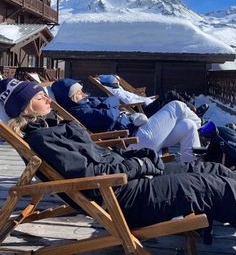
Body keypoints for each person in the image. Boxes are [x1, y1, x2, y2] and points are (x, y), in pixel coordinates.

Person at [1, 77, 236, 237]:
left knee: (213, 170)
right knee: (208, 186)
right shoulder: (43, 140)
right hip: (124, 196)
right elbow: (90, 177)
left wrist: (139, 159)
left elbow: (100, 158)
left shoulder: (52, 127)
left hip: (131, 180)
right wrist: (139, 164)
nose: (49, 99)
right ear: (24, 107)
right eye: (41, 98)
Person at [50, 79, 202, 162]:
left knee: (187, 125)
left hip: (139, 132)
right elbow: (109, 114)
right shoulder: (79, 111)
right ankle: (202, 127)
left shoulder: (86, 103)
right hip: (135, 140)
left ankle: (193, 167)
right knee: (177, 105)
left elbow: (112, 101)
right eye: (78, 92)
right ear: (69, 97)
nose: (82, 93)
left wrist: (110, 106)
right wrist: (110, 106)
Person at [97, 74, 209, 119]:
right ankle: (194, 111)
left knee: (184, 97)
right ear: (112, 83)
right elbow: (130, 101)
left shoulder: (118, 89)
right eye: (116, 81)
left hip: (147, 103)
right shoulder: (117, 93)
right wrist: (145, 99)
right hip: (146, 110)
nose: (118, 82)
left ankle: (193, 111)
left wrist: (146, 98)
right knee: (170, 94)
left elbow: (132, 97)